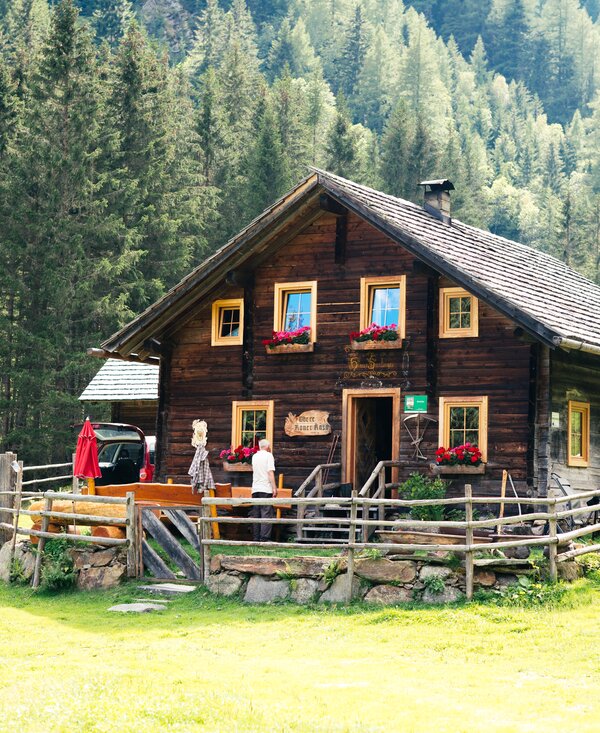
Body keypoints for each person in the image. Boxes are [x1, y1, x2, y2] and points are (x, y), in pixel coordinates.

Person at [250, 438, 278, 542]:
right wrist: (274, 487)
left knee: (256, 513)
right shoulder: (269, 456)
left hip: (255, 488)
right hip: (265, 488)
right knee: (266, 513)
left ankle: (256, 538)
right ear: (267, 446)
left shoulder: (254, 456)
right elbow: (270, 473)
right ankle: (264, 538)